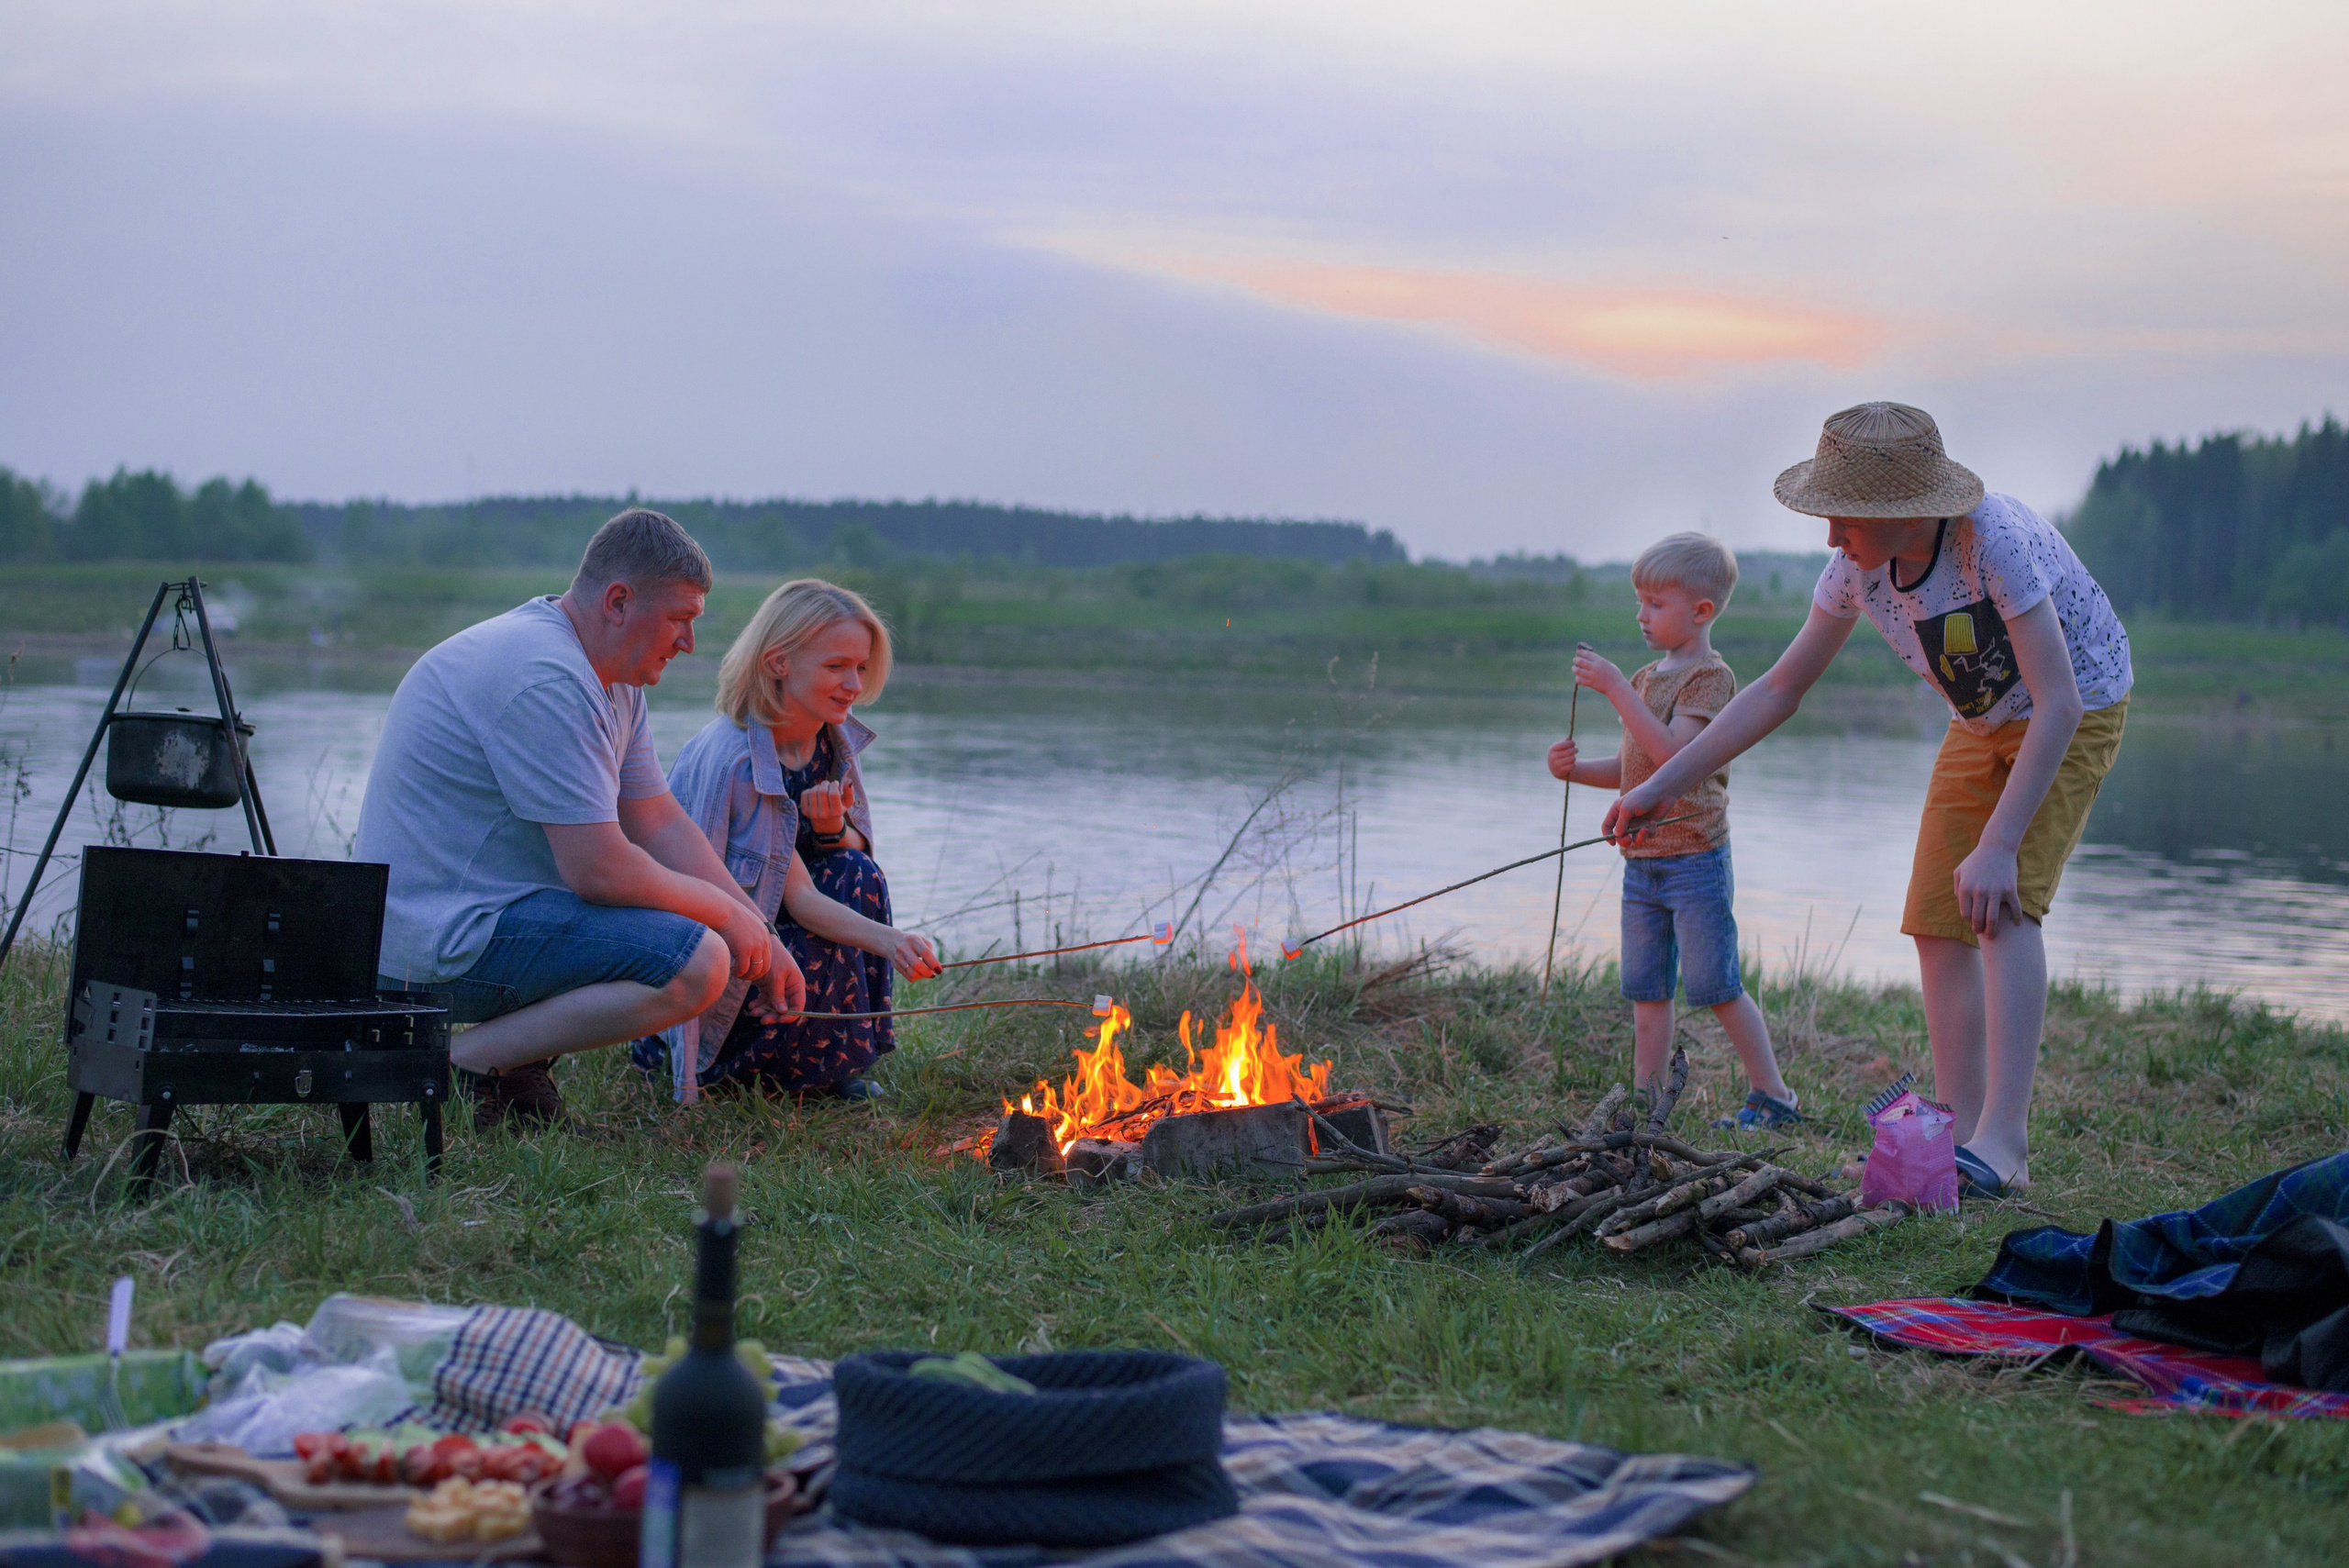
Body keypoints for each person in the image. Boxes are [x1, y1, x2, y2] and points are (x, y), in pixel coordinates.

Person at [1608, 403, 2132, 1197]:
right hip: (1981, 719)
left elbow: (2056, 700)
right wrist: (1654, 785)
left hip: (2075, 707)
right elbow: (1780, 689)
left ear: (1906, 510)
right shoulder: (1855, 569)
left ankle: (2005, 1145)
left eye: (1843, 515)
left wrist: (1998, 844)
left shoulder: (1995, 545)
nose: (1829, 536)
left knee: (2001, 901)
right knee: (1935, 916)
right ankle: (1952, 1133)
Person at [357, 508, 806, 1129]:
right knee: (696, 960)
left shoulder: (610, 676)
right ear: (619, 600)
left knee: (695, 933)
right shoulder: (547, 675)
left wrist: (759, 927)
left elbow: (657, 820)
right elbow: (598, 870)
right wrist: (727, 916)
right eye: (679, 619)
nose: (689, 642)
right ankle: (457, 1065)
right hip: (429, 939)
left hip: (478, 915)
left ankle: (508, 1067)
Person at [635, 578, 941, 1099]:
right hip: (727, 960)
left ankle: (827, 1063)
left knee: (857, 873)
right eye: (835, 666)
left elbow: (846, 860)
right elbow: (751, 900)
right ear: (779, 663)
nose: (853, 684)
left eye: (860, 668)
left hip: (783, 933)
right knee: (826, 901)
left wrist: (830, 831)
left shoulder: (831, 740)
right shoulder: (735, 759)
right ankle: (734, 1067)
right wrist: (893, 944)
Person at [1546, 531, 1800, 1130]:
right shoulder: (1643, 677)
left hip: (1694, 859)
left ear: (1701, 611)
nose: (1641, 615)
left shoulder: (1711, 679)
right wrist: (1575, 770)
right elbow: (1634, 770)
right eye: (1640, 601)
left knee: (1716, 985)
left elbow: (1671, 756)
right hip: (1642, 863)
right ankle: (1646, 1100)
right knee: (1646, 990)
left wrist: (1610, 686)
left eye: (1655, 603)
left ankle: (1774, 1095)